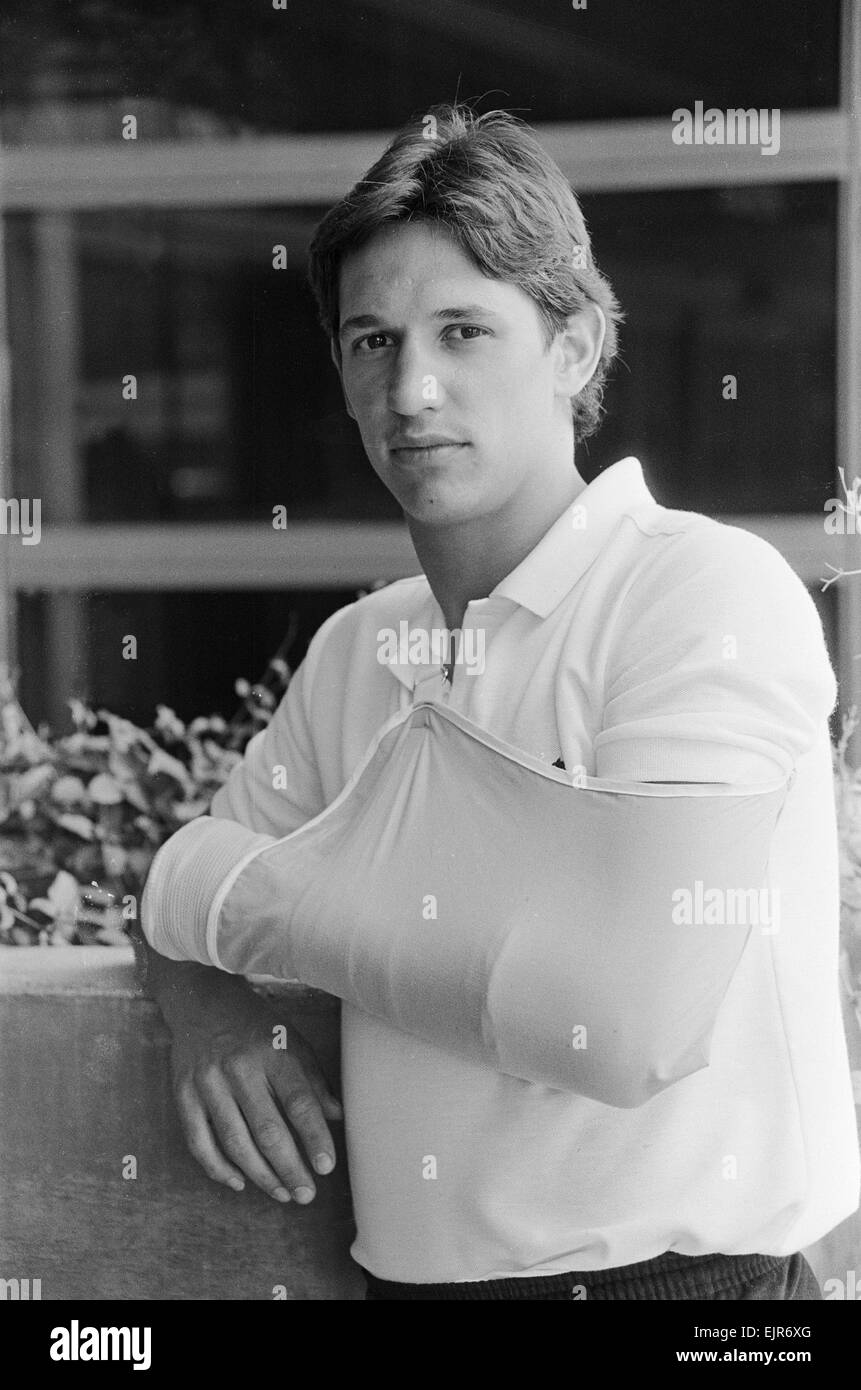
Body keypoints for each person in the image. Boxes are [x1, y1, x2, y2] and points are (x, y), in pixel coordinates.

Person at [138, 103, 859, 1300]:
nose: (411, 388)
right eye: (372, 343)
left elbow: (620, 1018)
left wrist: (209, 892)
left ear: (574, 346)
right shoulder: (359, 650)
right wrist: (207, 1001)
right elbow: (180, 908)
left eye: (462, 330)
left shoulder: (699, 593)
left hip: (688, 1297)